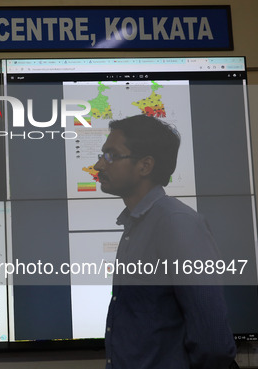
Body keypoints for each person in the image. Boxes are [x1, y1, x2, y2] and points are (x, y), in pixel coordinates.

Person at [93, 115, 237, 369]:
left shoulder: (176, 223)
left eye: (110, 155)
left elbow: (212, 341)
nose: (98, 166)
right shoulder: (135, 225)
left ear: (145, 165)